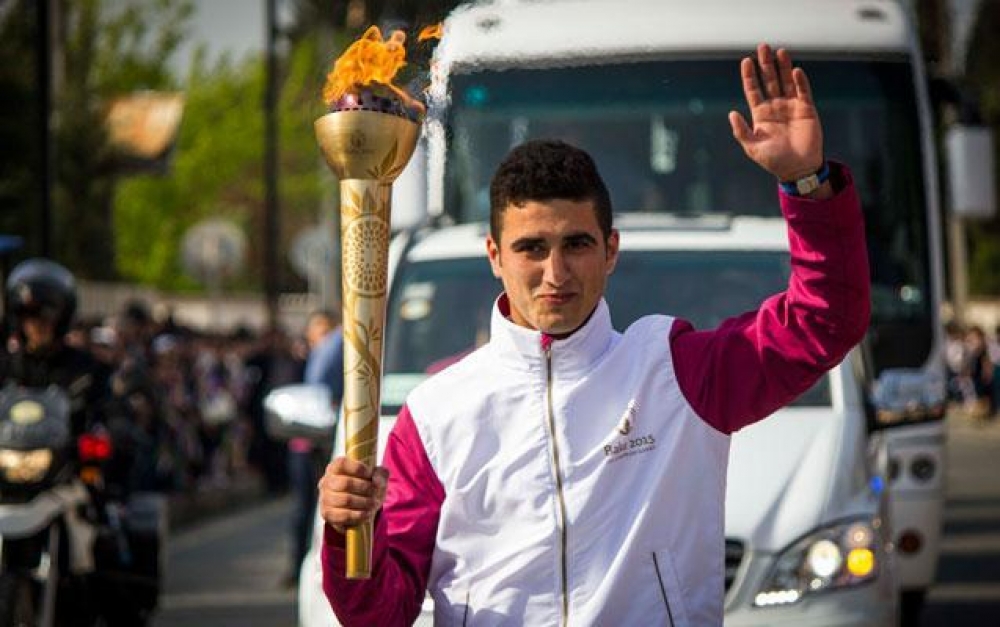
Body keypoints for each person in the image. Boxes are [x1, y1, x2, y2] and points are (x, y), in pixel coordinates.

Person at [317, 43, 871, 625]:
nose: (555, 273)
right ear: (494, 256)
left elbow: (825, 320)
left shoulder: (675, 374)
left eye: (576, 244)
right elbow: (379, 613)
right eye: (531, 248)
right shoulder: (435, 417)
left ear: (610, 250)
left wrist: (807, 182)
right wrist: (347, 532)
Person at [286, 310, 344, 587]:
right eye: (316, 330)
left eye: (325, 330)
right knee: (303, 507)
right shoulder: (304, 357)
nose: (321, 337)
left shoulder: (333, 350)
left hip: (323, 442)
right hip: (303, 440)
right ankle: (298, 566)